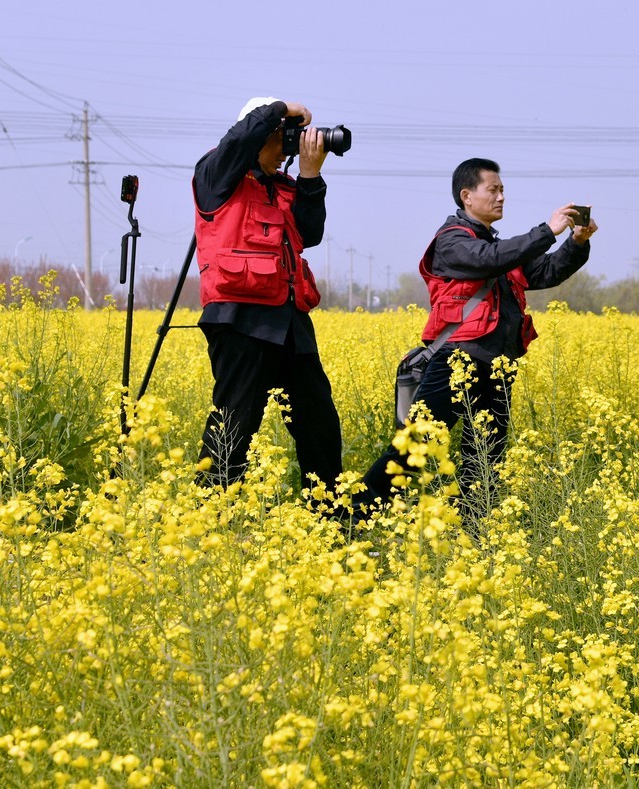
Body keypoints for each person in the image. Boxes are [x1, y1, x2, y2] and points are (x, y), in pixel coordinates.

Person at [357, 157, 597, 517]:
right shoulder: (452, 241)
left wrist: (576, 242)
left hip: (498, 362)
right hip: (457, 358)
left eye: (503, 190)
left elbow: (545, 271)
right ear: (467, 196)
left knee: (486, 455)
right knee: (415, 447)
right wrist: (547, 231)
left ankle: (476, 533)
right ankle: (354, 515)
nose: (501, 197)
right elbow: (489, 259)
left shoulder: (499, 246)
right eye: (493, 190)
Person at [192, 97, 342, 495]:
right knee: (235, 423)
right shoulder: (218, 173)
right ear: (262, 133)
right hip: (239, 318)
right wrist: (287, 107)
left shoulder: (284, 186)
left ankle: (330, 514)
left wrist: (310, 177)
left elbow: (309, 235)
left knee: (319, 423)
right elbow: (241, 137)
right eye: (283, 138)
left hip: (289, 320)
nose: (289, 147)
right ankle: (210, 513)